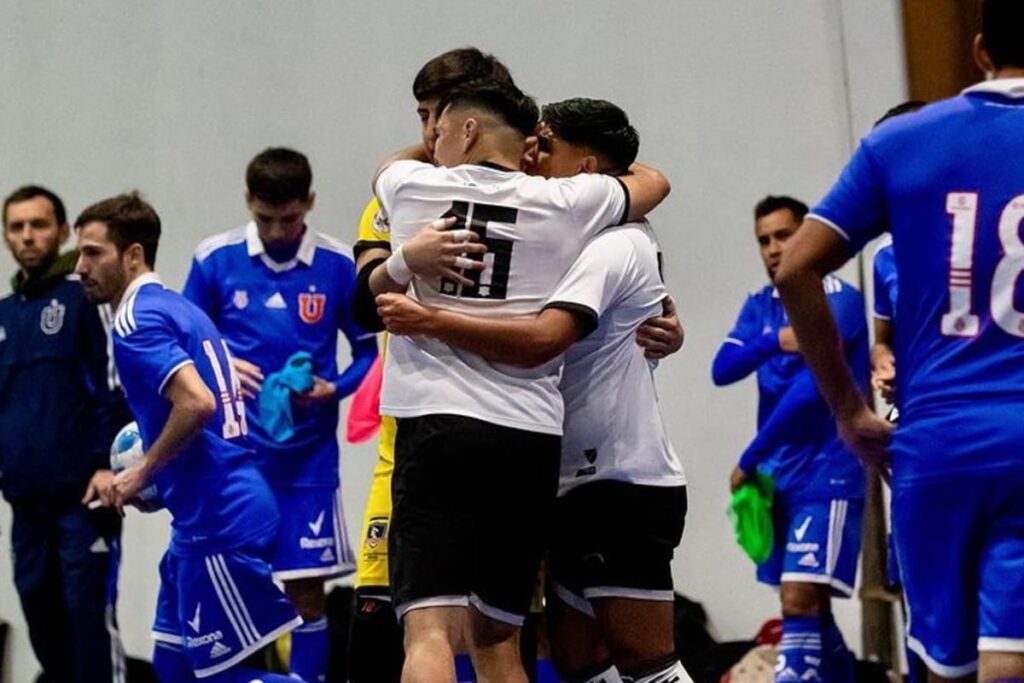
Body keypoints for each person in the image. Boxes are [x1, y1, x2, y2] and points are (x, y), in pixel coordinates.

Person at [374, 97, 689, 683]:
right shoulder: (564, 215)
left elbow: (545, 337)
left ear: (590, 166)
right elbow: (652, 181)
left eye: (546, 144)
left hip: (615, 478)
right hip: (549, 462)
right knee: (555, 656)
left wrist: (428, 318)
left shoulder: (611, 240)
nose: (531, 152)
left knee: (646, 665)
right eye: (529, 138)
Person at [774, 1, 1024, 680]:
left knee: (946, 663)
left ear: (979, 52)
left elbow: (797, 266)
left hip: (939, 439)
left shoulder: (904, 140)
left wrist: (851, 412)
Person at [75, 192, 304, 683]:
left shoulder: (137, 321)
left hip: (220, 518)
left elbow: (198, 404)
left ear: (133, 255)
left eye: (93, 253)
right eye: (80, 253)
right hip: (200, 520)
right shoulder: (176, 307)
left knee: (219, 678)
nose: (80, 266)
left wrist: (141, 472)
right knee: (173, 665)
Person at [349, 47, 517, 683]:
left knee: (500, 647)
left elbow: (638, 182)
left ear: (473, 121)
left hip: (514, 444)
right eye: (420, 115)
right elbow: (361, 304)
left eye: (437, 117)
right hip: (408, 452)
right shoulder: (398, 195)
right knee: (382, 636)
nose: (426, 133)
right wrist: (402, 258)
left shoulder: (543, 195)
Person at [183, 148, 376, 683]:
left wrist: (330, 388)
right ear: (249, 202)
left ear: (309, 203)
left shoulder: (339, 265)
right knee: (231, 586)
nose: (276, 230)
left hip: (307, 462)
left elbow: (368, 354)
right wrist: (221, 363)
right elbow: (182, 345)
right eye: (265, 218)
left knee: (305, 591)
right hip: (234, 459)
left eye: (289, 218)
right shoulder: (213, 259)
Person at [711, 196, 867, 683]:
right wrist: (773, 340)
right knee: (811, 610)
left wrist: (751, 455)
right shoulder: (759, 307)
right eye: (764, 239)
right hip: (780, 478)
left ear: (807, 235)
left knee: (797, 597)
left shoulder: (838, 297)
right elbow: (722, 368)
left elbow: (811, 392)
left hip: (829, 470)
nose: (774, 248)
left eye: (784, 235)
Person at [0, 184, 129, 683]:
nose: (28, 236)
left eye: (38, 225)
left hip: (84, 501)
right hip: (26, 504)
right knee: (41, 615)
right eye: (17, 227)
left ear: (59, 230)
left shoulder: (84, 298)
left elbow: (113, 384)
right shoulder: (6, 314)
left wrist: (106, 464)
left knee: (89, 622)